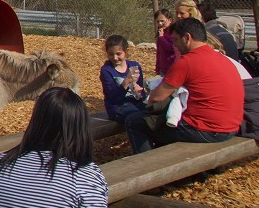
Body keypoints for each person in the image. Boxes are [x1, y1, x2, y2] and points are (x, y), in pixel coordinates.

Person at [124, 18, 244, 154]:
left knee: (135, 122)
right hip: (232, 127)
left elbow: (156, 97)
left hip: (208, 130)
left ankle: (145, 164)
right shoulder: (221, 58)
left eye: (175, 40)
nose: (174, 45)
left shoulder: (187, 62)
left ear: (187, 37)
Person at [99, 35, 146, 124]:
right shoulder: (106, 70)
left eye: (118, 54)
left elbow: (141, 94)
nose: (115, 58)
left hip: (135, 103)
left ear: (126, 52)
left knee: (154, 114)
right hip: (117, 107)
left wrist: (138, 92)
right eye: (111, 54)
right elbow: (114, 98)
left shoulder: (134, 66)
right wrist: (126, 82)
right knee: (138, 118)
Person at [154, 8, 174, 75]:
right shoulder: (161, 33)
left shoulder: (173, 33)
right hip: (163, 69)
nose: (160, 24)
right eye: (158, 21)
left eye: (162, 21)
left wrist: (161, 38)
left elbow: (171, 48)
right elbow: (159, 52)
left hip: (171, 67)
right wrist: (157, 68)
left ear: (170, 20)